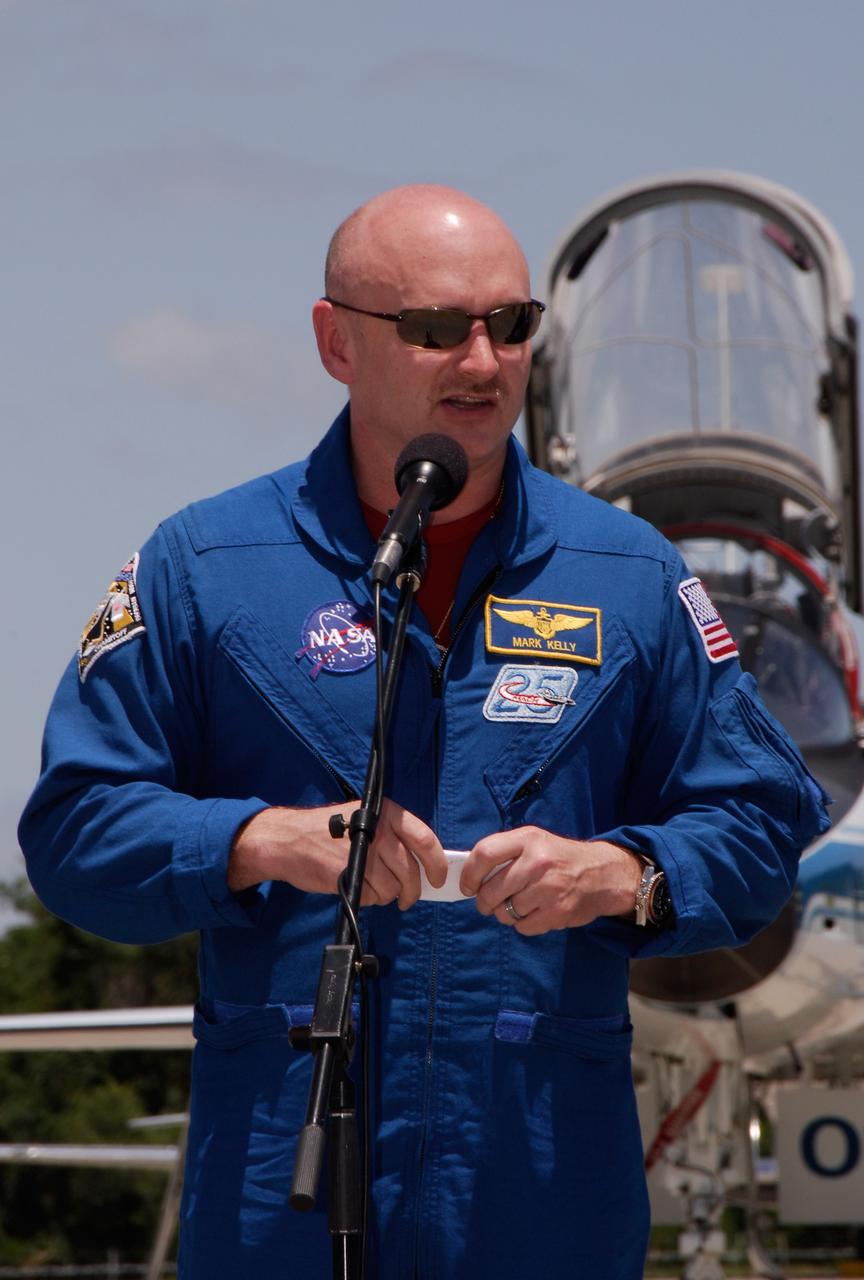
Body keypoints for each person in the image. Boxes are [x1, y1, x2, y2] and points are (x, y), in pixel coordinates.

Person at [19, 185, 829, 1279]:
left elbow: (762, 822)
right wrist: (260, 841)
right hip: (279, 1200)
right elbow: (75, 830)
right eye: (440, 329)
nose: (485, 362)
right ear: (335, 341)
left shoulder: (631, 576)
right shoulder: (202, 567)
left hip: (542, 1200)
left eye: (513, 324)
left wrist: (626, 872)